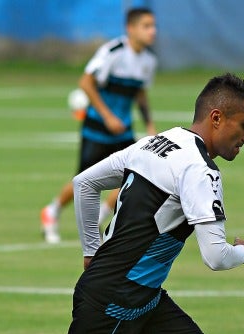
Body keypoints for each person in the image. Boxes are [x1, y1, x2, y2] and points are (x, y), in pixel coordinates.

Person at [5, 73, 244, 334]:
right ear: (217, 118)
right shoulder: (199, 170)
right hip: (115, 300)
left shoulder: (156, 143)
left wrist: (92, 252)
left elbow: (85, 183)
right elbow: (216, 256)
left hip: (142, 296)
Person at [41, 7, 158, 244]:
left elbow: (141, 95)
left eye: (153, 26)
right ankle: (52, 211)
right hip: (97, 128)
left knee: (135, 176)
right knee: (83, 180)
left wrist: (150, 126)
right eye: (146, 26)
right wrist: (107, 116)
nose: (152, 31)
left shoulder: (148, 61)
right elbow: (85, 82)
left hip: (123, 130)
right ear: (130, 29)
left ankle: (102, 217)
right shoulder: (113, 52)